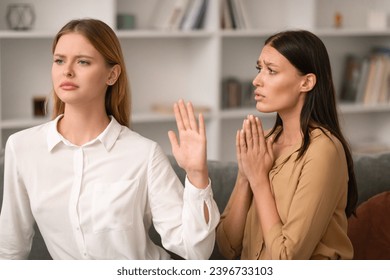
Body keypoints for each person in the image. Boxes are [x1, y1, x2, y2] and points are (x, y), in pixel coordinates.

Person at [0, 18, 219, 260]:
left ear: (112, 75)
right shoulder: (22, 148)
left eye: (83, 62)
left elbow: (195, 251)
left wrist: (197, 175)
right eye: (59, 60)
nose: (67, 71)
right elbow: (11, 248)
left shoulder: (144, 154)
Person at [216, 30, 358, 260]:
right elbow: (226, 247)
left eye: (271, 71)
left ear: (306, 82)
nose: (257, 80)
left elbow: (288, 260)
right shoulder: (264, 142)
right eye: (259, 68)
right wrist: (245, 176)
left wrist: (259, 180)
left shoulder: (324, 151)